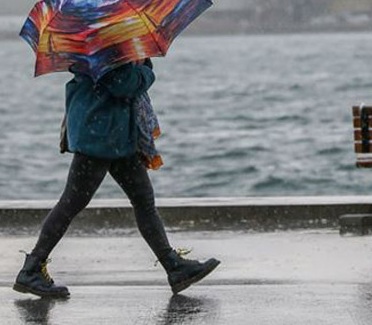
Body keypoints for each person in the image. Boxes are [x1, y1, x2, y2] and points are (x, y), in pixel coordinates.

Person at [13, 58, 219, 298]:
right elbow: (123, 83)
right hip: (100, 135)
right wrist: (146, 70)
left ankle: (174, 267)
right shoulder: (107, 47)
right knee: (71, 203)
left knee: (142, 200)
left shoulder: (96, 44)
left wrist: (139, 63)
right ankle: (32, 268)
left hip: (113, 133)